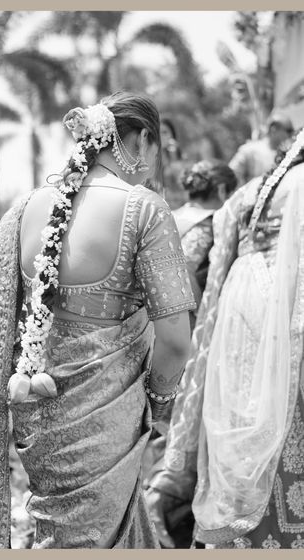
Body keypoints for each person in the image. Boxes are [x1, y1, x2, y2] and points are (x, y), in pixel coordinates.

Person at [0, 91, 196, 549]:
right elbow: (177, 341)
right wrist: (158, 400)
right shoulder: (144, 208)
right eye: (157, 149)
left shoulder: (27, 208)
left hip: (41, 420)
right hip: (109, 423)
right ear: (142, 140)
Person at [145, 128, 304, 548]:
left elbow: (215, 271)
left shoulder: (252, 192)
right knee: (286, 419)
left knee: (244, 416)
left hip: (234, 314)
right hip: (287, 311)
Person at [173, 159, 238, 323]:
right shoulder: (211, 222)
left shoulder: (169, 214)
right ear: (222, 190)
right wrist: (202, 316)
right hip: (187, 317)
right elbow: (184, 269)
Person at [229, 112, 294, 187]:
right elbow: (230, 175)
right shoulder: (249, 150)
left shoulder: (288, 155)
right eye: (289, 131)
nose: (291, 135)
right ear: (274, 129)